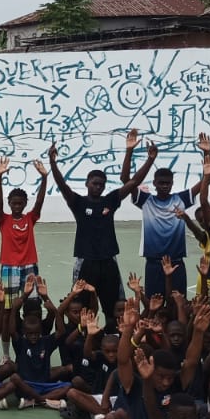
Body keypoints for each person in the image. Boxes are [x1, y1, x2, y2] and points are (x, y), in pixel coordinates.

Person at [49, 130, 153, 329]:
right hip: (85, 261)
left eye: (102, 184)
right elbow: (62, 186)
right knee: (82, 307)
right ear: (87, 183)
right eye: (95, 183)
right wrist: (53, 163)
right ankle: (85, 342)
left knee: (113, 306)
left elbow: (133, 182)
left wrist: (145, 157)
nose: (98, 187)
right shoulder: (77, 202)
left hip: (108, 261)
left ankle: (114, 337)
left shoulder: (110, 200)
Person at [126, 133, 210, 299]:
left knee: (178, 304)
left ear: (172, 183)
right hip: (153, 263)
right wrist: (141, 156)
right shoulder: (145, 201)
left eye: (168, 183)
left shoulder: (181, 199)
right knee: (154, 306)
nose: (164, 186)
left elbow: (206, 179)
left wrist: (207, 153)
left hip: (177, 262)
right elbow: (126, 180)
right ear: (155, 184)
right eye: (161, 183)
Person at [0, 154, 48, 348]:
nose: (17, 206)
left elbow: (40, 202)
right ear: (9, 204)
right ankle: (6, 353)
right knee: (8, 310)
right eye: (14, 203)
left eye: (20, 203)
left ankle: (31, 346)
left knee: (32, 309)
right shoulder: (3, 219)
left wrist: (44, 178)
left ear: (25, 203)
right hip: (9, 267)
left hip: (29, 267)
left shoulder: (30, 219)